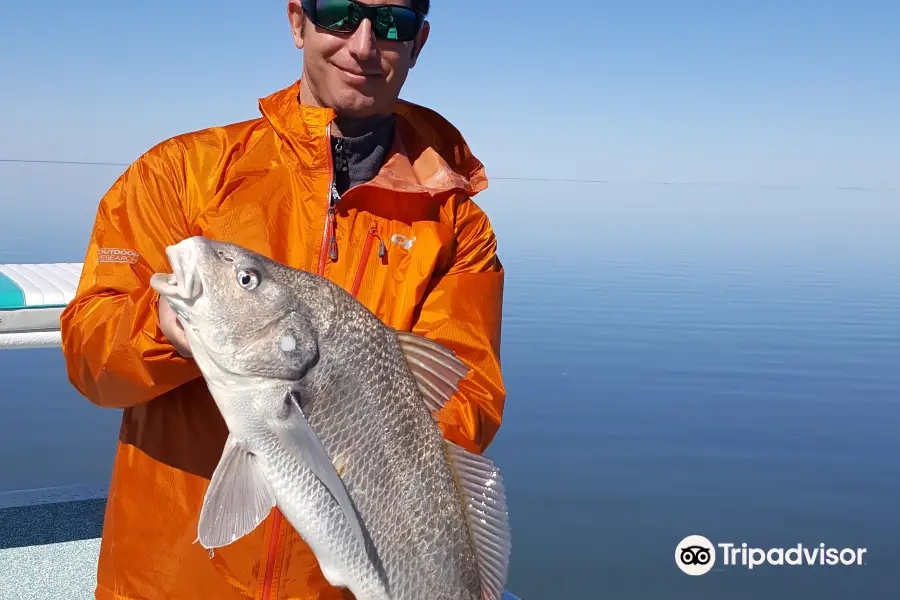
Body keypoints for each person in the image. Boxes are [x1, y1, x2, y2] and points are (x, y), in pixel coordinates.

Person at [58, 0, 507, 598]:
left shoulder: (458, 228)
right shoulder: (179, 174)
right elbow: (91, 360)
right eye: (341, 13)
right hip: (171, 581)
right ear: (298, 20)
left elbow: (464, 394)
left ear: (418, 42)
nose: (364, 45)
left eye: (392, 23)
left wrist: (378, 448)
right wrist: (158, 328)